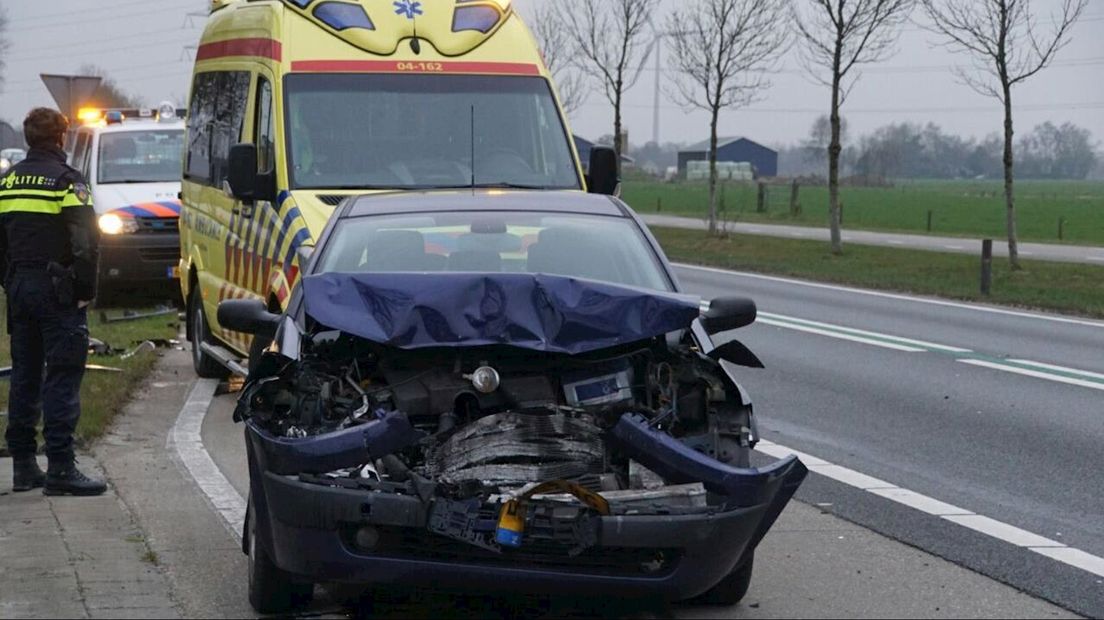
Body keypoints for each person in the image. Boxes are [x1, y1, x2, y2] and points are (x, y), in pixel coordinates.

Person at [0, 108, 105, 496]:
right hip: (57, 290)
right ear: (61, 138)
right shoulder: (66, 181)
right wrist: (84, 292)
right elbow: (85, 243)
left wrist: (9, 282)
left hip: (19, 288)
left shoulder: (7, 181)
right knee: (62, 373)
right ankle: (61, 466)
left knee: (25, 375)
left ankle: (24, 466)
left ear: (29, 139)